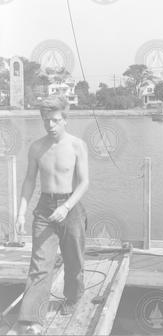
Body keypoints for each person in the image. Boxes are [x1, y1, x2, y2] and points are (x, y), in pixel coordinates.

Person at [14, 95, 89, 335]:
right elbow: (28, 181)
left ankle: (73, 296)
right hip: (45, 209)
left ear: (65, 119)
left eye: (55, 120)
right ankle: (31, 320)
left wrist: (66, 207)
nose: (50, 125)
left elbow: (85, 182)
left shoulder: (77, 145)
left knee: (74, 259)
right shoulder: (36, 147)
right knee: (40, 264)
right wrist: (21, 212)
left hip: (71, 206)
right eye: (46, 120)